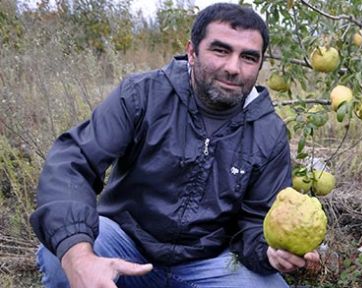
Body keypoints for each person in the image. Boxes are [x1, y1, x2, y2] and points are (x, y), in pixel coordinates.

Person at [30, 3, 319, 287]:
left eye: (248, 57)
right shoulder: (142, 95)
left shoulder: (268, 131)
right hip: (125, 242)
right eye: (220, 50)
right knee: (64, 254)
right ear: (192, 52)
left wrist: (269, 252)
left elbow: (256, 223)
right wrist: (79, 256)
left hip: (209, 262)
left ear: (259, 64)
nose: (233, 68)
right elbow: (73, 162)